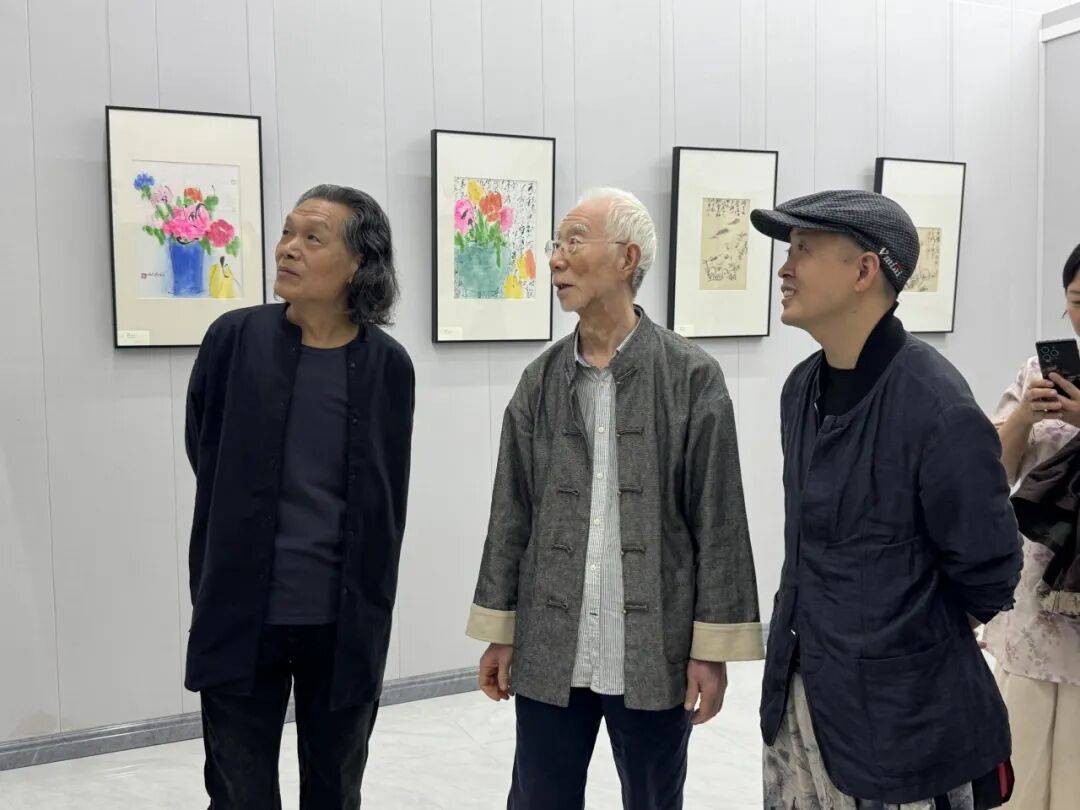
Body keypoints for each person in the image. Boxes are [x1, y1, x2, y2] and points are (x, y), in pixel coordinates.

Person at [465, 187, 763, 809]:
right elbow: (510, 514)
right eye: (556, 243)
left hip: (655, 648)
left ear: (627, 258)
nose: (555, 258)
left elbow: (720, 523)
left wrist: (711, 652)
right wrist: (501, 630)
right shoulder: (539, 381)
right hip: (551, 644)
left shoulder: (691, 377)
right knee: (539, 798)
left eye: (574, 241)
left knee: (654, 798)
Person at [752, 190, 1021, 809]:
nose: (784, 269)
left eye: (803, 250)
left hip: (906, 724)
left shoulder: (936, 404)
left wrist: (902, 634)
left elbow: (990, 570)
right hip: (800, 693)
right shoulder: (801, 388)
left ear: (865, 271)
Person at [184, 184, 415, 809]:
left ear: (359, 263)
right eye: (288, 232)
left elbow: (385, 497)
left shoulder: (388, 366)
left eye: (313, 238)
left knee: (336, 789)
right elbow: (205, 449)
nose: (288, 248)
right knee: (238, 791)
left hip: (343, 618)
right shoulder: (233, 340)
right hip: (242, 608)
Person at [984, 242, 1080, 810]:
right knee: (1021, 766)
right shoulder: (1036, 373)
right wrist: (1025, 414)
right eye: (1077, 300)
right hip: (1039, 605)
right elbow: (994, 474)